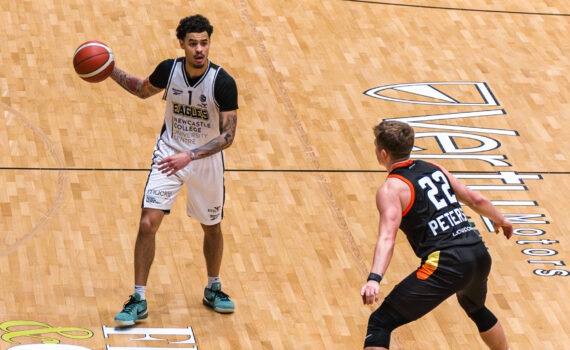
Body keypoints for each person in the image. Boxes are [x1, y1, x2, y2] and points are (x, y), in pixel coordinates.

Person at [109, 14, 238, 325]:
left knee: (212, 227)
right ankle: (138, 298)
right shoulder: (170, 70)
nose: (199, 49)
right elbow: (141, 89)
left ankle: (213, 287)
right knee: (146, 224)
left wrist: (191, 155)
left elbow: (228, 136)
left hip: (205, 162)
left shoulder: (222, 82)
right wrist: (109, 70)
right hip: (169, 155)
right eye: (192, 43)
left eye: (204, 43)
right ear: (182, 44)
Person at [360, 120, 513, 350]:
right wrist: (501, 220)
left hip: (447, 262)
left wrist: (374, 278)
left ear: (383, 153)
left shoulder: (392, 188)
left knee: (381, 322)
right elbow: (475, 199)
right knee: (475, 307)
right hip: (478, 253)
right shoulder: (434, 167)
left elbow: (387, 237)